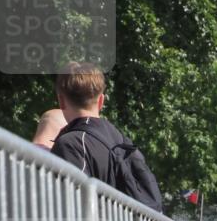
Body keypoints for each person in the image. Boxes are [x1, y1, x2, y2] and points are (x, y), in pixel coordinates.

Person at [50, 61, 163, 213]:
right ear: (101, 101)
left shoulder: (71, 144)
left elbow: (73, 206)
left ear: (61, 101)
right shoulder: (123, 142)